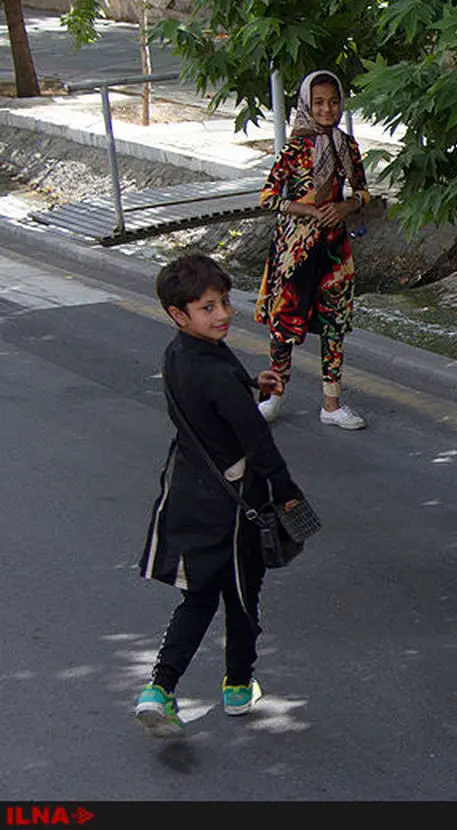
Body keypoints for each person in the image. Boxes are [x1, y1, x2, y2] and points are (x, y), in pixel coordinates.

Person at [135, 254, 305, 738]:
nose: (223, 314)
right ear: (179, 314)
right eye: (208, 307)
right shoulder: (213, 368)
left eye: (225, 302)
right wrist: (288, 494)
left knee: (197, 597)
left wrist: (251, 385)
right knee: (242, 595)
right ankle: (236, 686)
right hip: (233, 506)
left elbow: (210, 407)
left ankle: (158, 690)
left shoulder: (180, 353)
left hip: (188, 492)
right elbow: (257, 442)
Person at [256, 69, 370, 430]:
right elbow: (268, 197)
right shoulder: (294, 149)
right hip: (295, 250)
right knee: (284, 322)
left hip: (334, 250)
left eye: (333, 102)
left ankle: (331, 404)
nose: (327, 110)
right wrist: (308, 210)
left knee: (335, 324)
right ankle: (274, 396)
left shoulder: (347, 146)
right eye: (319, 103)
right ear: (307, 104)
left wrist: (344, 208)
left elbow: (363, 192)